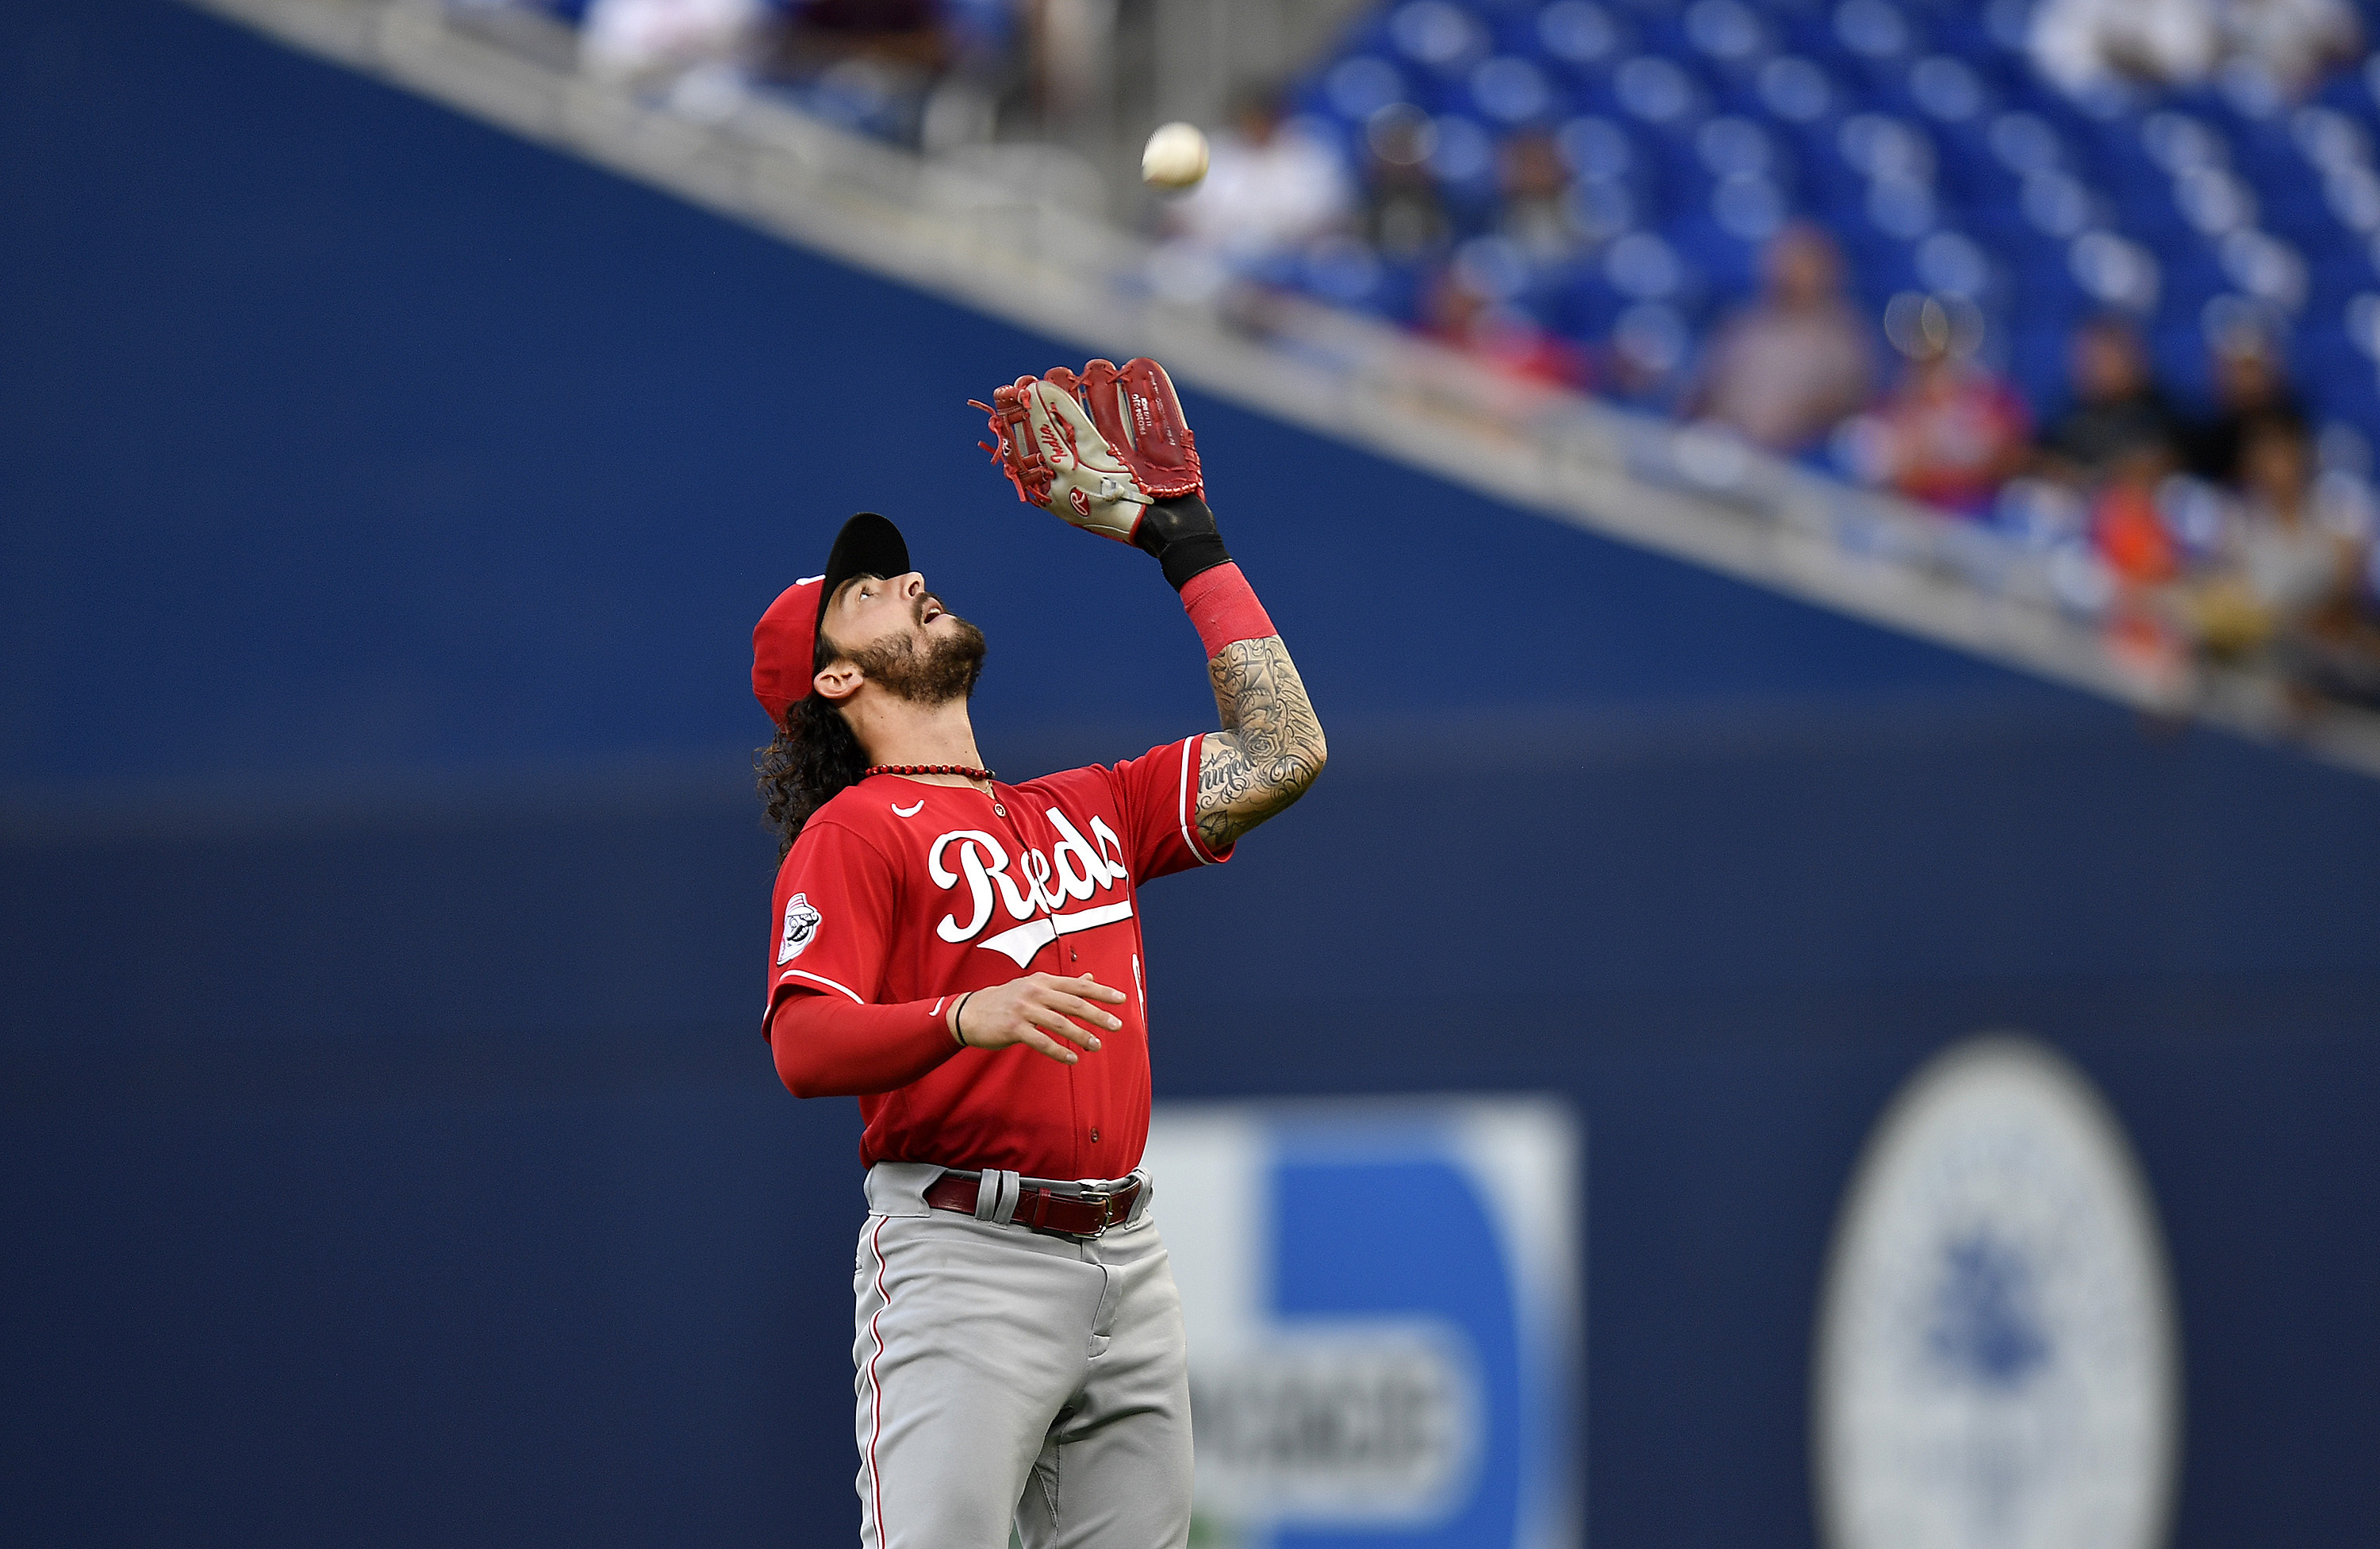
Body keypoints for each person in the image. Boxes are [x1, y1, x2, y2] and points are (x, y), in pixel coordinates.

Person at [749, 357, 1325, 1549]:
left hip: (1128, 1254)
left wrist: (1186, 542)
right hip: (964, 1259)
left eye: (897, 569)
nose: (907, 579)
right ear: (835, 676)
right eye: (863, 592)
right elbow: (804, 1045)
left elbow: (1283, 750)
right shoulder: (851, 832)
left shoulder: (1086, 806)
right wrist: (964, 1017)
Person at [1686, 223, 1875, 454]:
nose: (1792, 273)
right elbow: (1705, 389)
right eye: (1786, 263)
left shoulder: (1842, 339)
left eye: (1803, 266)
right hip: (1720, 444)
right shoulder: (1745, 322)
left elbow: (1840, 405)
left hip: (1792, 460)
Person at [2035, 315, 2189, 486]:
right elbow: (2050, 466)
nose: (2095, 367)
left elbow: (2161, 465)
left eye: (2105, 356)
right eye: (2088, 357)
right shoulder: (2070, 422)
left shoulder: (2161, 415)